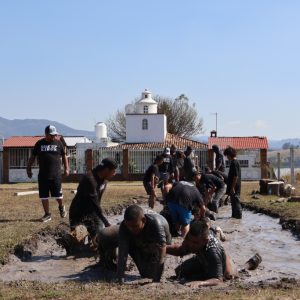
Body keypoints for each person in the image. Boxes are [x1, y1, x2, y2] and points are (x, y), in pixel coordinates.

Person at [166, 219, 237, 288]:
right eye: (190, 240)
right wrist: (163, 248)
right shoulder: (191, 237)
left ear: (205, 241)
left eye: (195, 243)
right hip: (203, 260)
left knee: (211, 276)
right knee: (180, 271)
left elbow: (218, 280)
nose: (191, 245)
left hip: (224, 271)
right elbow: (180, 250)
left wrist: (200, 283)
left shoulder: (213, 251)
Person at [117, 205, 172, 283]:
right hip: (142, 243)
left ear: (144, 220)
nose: (131, 229)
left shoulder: (156, 224)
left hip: (158, 243)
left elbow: (162, 249)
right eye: (128, 226)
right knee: (145, 274)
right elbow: (122, 252)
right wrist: (120, 278)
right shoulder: (124, 226)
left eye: (135, 226)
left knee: (152, 274)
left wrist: (156, 280)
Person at [69, 158, 117, 245]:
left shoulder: (105, 180)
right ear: (106, 170)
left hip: (93, 214)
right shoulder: (90, 179)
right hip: (78, 214)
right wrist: (106, 222)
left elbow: (97, 201)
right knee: (78, 245)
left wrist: (100, 219)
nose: (114, 174)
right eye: (113, 171)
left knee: (98, 242)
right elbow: (95, 203)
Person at [27, 125, 69, 222]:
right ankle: (47, 214)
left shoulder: (59, 143)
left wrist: (66, 169)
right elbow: (32, 157)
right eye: (52, 135)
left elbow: (64, 157)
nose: (54, 137)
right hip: (43, 175)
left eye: (55, 135)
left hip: (56, 175)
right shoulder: (39, 144)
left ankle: (61, 206)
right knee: (43, 195)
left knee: (58, 195)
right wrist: (28, 169)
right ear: (46, 134)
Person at [224, 146, 242, 219]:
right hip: (234, 186)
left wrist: (232, 188)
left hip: (234, 186)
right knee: (233, 202)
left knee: (235, 201)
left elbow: (235, 176)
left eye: (227, 155)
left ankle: (238, 216)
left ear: (229, 155)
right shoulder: (235, 162)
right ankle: (234, 217)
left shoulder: (234, 163)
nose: (227, 157)